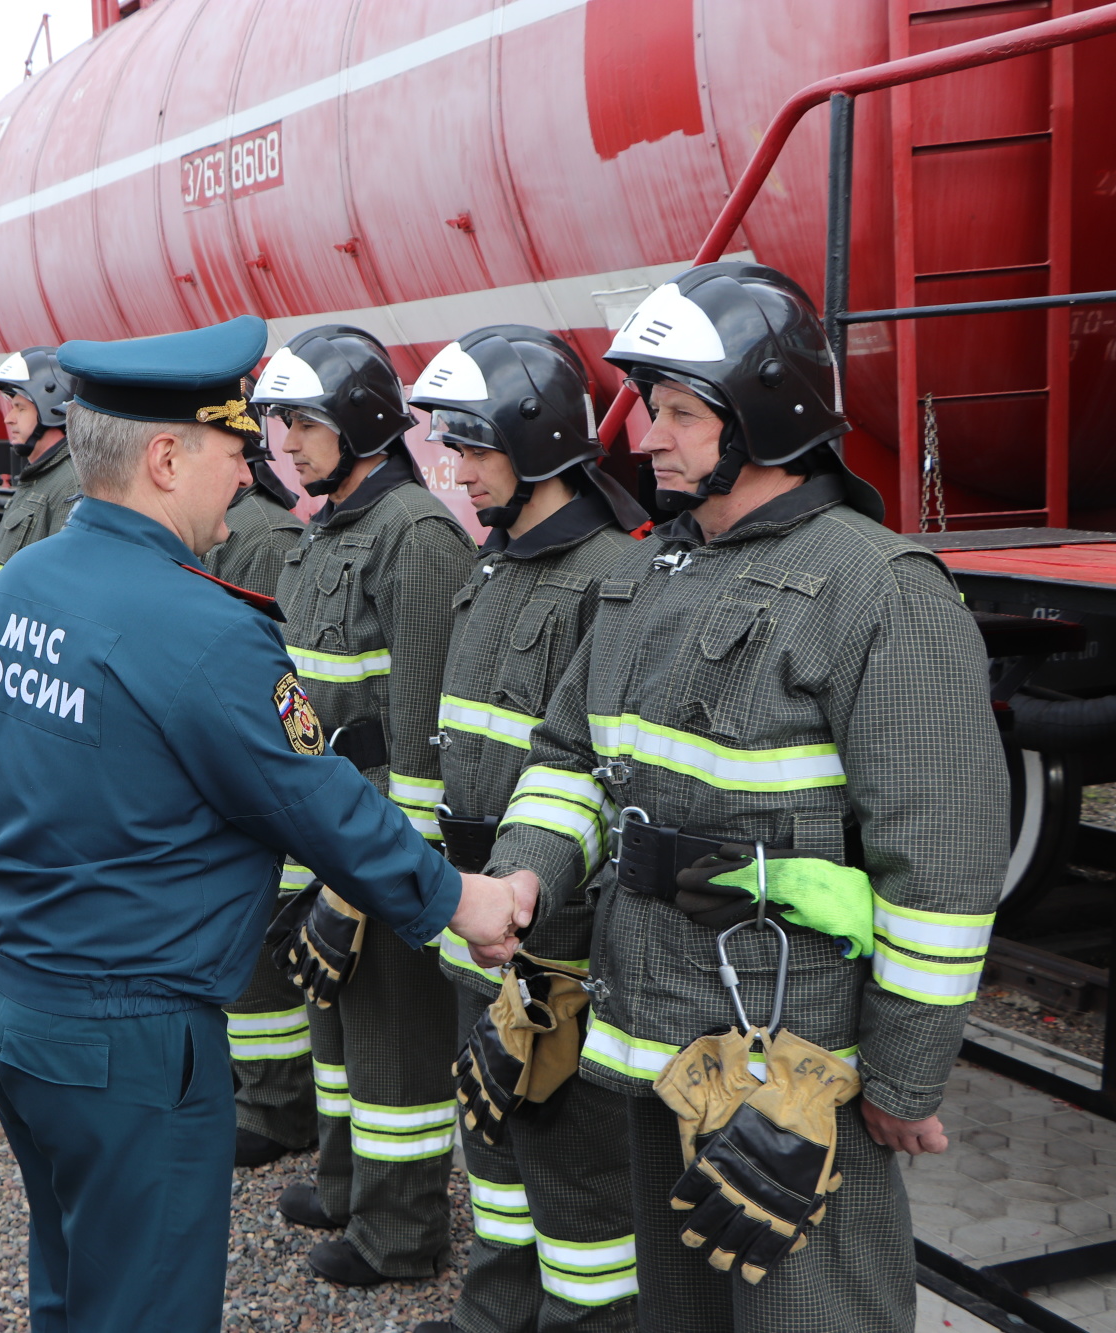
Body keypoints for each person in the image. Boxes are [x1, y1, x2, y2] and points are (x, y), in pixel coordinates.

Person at [0, 314, 531, 1333]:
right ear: (165, 456)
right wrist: (460, 900)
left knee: (73, 1284)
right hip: (129, 1040)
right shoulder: (202, 630)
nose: (246, 476)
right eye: (231, 451)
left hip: (16, 1008)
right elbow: (315, 801)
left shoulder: (18, 595)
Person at [491, 262, 1006, 1333]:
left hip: (791, 1065)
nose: (644, 437)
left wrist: (904, 1077)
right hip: (650, 1039)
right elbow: (564, 761)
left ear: (764, 416)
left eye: (679, 412)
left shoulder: (878, 591)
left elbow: (942, 868)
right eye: (650, 408)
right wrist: (521, 880)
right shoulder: (645, 577)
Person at [406, 327, 648, 1332]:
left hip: (554, 938)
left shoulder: (611, 576)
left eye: (470, 446)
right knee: (493, 1142)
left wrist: (553, 955)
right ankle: (493, 1314)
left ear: (537, 437)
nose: (452, 471)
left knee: (574, 1173)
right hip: (481, 925)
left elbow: (599, 779)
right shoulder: (495, 566)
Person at [248, 325, 477, 1287]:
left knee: (392, 1045)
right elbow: (304, 696)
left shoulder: (416, 539)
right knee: (336, 1030)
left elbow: (423, 737)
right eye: (276, 426)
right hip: (327, 831)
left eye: (303, 423)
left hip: (381, 840)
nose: (285, 446)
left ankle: (401, 1233)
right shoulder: (328, 528)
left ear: (361, 421)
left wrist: (381, 877)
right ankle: (347, 1183)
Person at [204, 426, 319, 1169]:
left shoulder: (264, 536)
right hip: (235, 768)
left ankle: (276, 1104)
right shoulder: (239, 527)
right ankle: (255, 1091)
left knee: (266, 950)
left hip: (269, 772)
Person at [0, 345, 77, 579]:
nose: (8, 419)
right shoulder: (40, 476)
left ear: (51, 410)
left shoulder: (71, 486)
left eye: (20, 408)